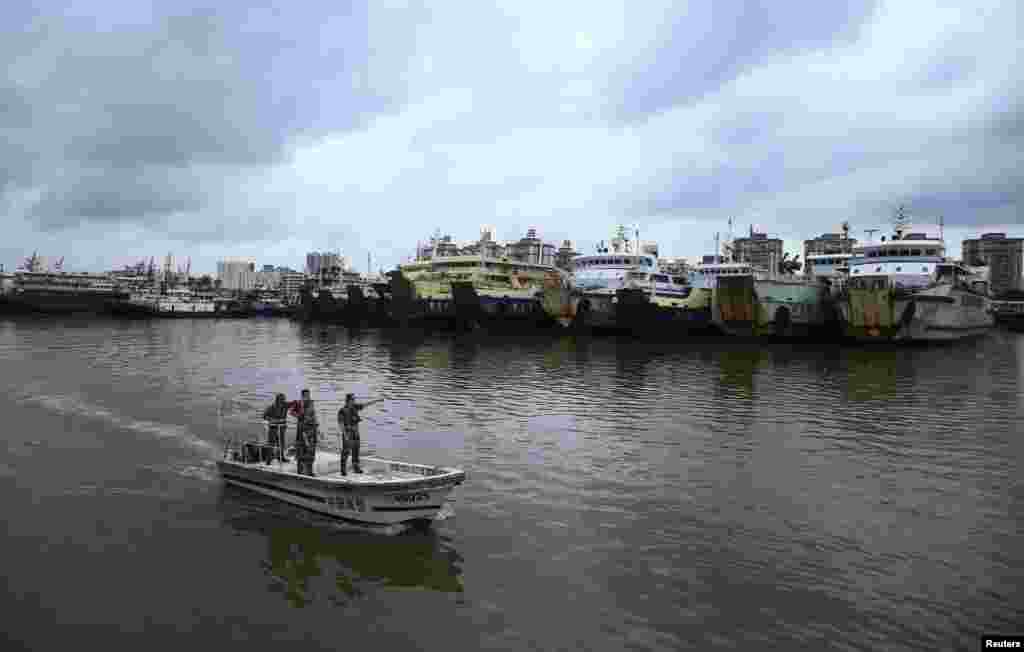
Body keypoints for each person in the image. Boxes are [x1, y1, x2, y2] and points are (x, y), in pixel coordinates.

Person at [337, 393, 385, 475]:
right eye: (353, 399)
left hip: (356, 433)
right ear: (348, 400)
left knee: (356, 450)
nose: (354, 400)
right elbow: (341, 424)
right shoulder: (342, 411)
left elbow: (366, 404)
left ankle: (356, 467)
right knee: (346, 451)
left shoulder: (355, 407)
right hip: (348, 434)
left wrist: (377, 400)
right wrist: (345, 435)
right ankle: (343, 470)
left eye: (354, 399)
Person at [291, 389, 319, 476]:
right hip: (302, 429)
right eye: (306, 395)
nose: (307, 396)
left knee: (311, 451)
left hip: (311, 429)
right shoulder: (298, 403)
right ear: (302, 395)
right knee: (301, 450)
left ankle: (309, 471)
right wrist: (299, 415)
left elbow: (314, 415)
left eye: (308, 395)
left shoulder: (311, 403)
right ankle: (300, 471)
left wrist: (316, 425)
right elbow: (291, 412)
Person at [262, 393, 289, 463]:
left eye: (283, 399)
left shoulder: (285, 406)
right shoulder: (271, 407)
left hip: (282, 427)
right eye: (281, 399)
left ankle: (281, 457)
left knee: (281, 443)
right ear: (277, 400)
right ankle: (268, 459)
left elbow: (295, 404)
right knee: (271, 443)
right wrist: (272, 420)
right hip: (273, 427)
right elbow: (264, 416)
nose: (283, 401)